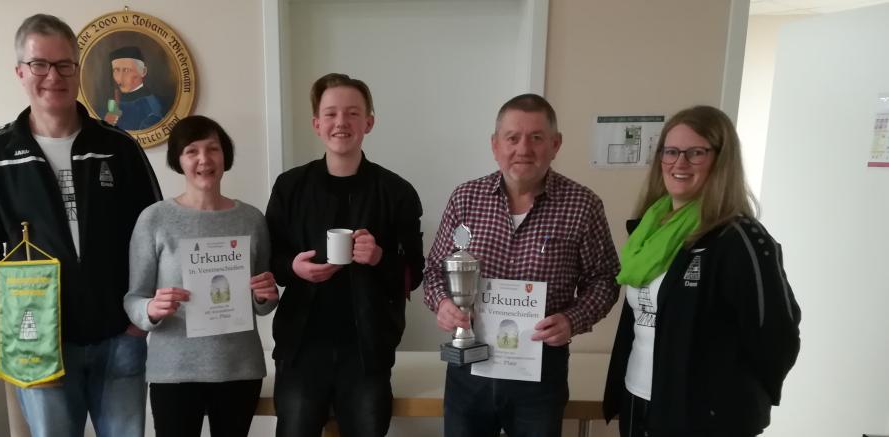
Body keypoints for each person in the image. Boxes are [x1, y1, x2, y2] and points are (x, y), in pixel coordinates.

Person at [0, 14, 162, 437]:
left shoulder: (118, 148)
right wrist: (13, 308)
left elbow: (156, 232)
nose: (53, 76)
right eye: (39, 65)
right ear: (20, 72)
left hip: (119, 337)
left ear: (78, 70)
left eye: (64, 64)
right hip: (39, 345)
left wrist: (139, 320)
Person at [423, 93, 620, 437]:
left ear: (555, 144)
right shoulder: (465, 199)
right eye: (512, 138)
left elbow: (604, 279)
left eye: (536, 137)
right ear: (495, 145)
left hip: (540, 372)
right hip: (469, 366)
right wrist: (441, 304)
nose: (523, 149)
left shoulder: (583, 205)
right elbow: (436, 270)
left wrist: (573, 320)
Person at [602, 105, 801, 437]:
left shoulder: (739, 238)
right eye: (671, 152)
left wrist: (729, 403)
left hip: (702, 416)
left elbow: (777, 336)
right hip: (639, 398)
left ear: (721, 161)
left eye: (696, 153)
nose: (679, 163)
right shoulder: (648, 231)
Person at [266, 73, 425, 437]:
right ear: (316, 123)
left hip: (367, 352)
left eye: (353, 113)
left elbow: (414, 274)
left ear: (368, 122)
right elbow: (269, 259)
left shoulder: (396, 191)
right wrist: (292, 267)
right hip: (301, 349)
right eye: (332, 113)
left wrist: (380, 257)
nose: (342, 123)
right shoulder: (290, 186)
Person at [124, 115, 279, 437]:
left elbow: (262, 301)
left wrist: (266, 296)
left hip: (238, 367)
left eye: (213, 149)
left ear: (225, 156)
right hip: (174, 369)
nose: (204, 159)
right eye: (191, 151)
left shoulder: (251, 220)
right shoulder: (155, 219)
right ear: (178, 160)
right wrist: (151, 309)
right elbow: (134, 299)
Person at [103, 46, 172, 131]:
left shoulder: (156, 104)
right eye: (116, 70)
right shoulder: (111, 103)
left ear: (143, 71)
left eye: (126, 70)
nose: (120, 78)